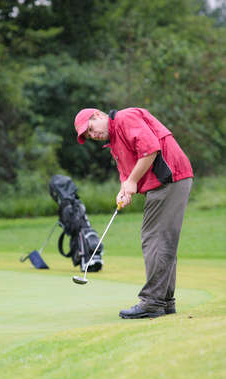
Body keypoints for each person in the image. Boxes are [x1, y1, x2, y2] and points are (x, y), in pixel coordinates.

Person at [74, 107, 194, 319]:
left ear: (99, 116)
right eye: (89, 135)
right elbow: (126, 173)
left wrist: (131, 182)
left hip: (172, 179)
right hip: (167, 183)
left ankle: (152, 302)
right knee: (160, 239)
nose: (93, 135)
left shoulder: (124, 118)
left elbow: (150, 149)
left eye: (91, 129)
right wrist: (124, 189)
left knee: (154, 239)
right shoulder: (114, 142)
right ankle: (164, 301)